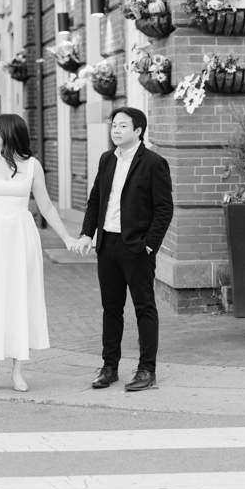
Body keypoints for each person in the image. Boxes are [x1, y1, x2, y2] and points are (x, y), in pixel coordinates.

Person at [0, 113, 79, 392]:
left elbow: (45, 207)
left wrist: (67, 238)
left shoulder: (32, 166)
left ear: (10, 132)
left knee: (19, 299)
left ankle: (18, 371)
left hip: (21, 238)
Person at [73, 107, 174, 392]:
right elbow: (96, 200)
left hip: (137, 247)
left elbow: (164, 209)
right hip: (107, 244)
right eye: (113, 126)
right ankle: (109, 367)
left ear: (138, 130)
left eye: (122, 126)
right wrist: (86, 234)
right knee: (111, 308)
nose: (115, 131)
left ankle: (147, 370)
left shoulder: (154, 163)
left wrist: (150, 245)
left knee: (144, 308)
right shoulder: (106, 160)